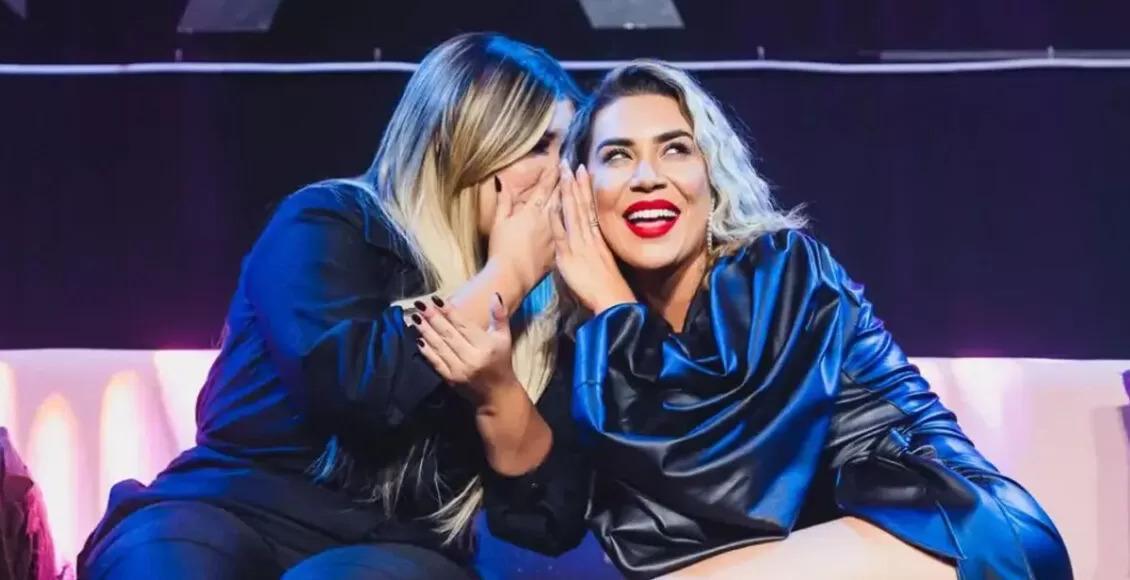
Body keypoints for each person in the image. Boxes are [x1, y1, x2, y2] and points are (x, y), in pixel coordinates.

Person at [77, 33, 590, 579]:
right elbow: (354, 386)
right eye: (539, 146)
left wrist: (498, 391)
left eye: (569, 152)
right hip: (229, 505)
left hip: (396, 546)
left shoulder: (549, 312)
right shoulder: (328, 222)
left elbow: (548, 520)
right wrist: (504, 276)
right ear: (460, 144)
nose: (558, 175)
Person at [557, 61, 1070, 578]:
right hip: (847, 541)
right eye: (617, 155)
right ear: (579, 190)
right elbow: (580, 517)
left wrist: (612, 305)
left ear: (712, 177)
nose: (647, 177)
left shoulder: (780, 268)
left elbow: (730, 482)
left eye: (676, 149)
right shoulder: (600, 344)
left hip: (950, 520)